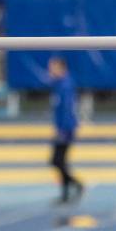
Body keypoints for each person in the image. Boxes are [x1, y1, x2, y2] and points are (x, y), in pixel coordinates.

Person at [48, 57, 84, 203]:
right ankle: (66, 192)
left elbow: (68, 109)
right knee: (58, 161)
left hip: (66, 129)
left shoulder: (66, 85)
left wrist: (63, 130)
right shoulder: (58, 84)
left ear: (61, 68)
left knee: (58, 161)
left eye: (53, 67)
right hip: (62, 128)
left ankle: (75, 185)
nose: (50, 70)